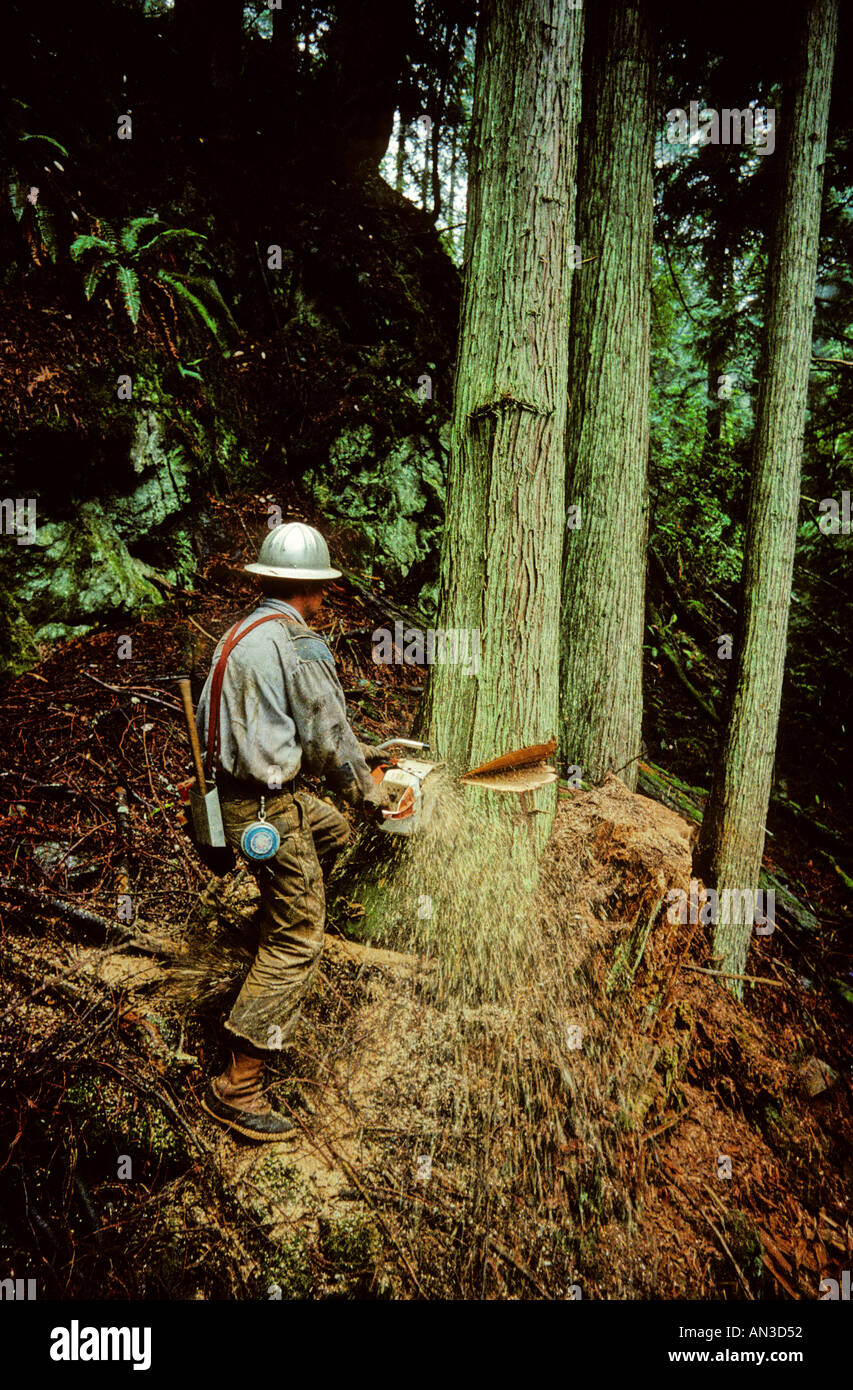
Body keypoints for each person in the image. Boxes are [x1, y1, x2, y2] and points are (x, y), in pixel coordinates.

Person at [194, 521, 392, 1141]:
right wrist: (372, 793)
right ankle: (239, 1082)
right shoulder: (296, 641)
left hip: (227, 802)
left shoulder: (239, 634)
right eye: (323, 590)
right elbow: (329, 737)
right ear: (312, 589)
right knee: (299, 937)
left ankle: (271, 922)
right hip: (264, 813)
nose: (324, 600)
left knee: (330, 831)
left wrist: (351, 784)